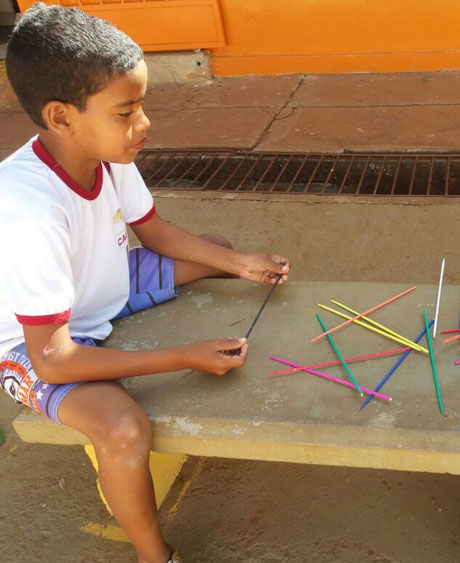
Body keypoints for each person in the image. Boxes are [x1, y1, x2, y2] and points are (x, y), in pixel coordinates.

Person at [0, 4, 290, 562]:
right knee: (123, 429)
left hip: (106, 282)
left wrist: (242, 264)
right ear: (61, 117)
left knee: (222, 253)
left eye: (142, 106)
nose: (144, 124)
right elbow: (56, 360)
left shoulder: (106, 149)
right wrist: (185, 356)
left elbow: (152, 230)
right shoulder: (27, 211)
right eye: (127, 110)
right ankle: (155, 555)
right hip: (31, 344)